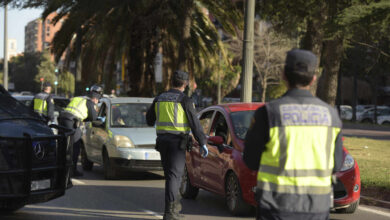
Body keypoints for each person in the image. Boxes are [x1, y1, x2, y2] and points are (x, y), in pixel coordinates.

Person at [243, 49, 343, 220]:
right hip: (317, 208)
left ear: (283, 75)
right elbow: (337, 165)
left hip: (276, 207)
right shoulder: (331, 115)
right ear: (313, 79)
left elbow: (250, 160)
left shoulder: (268, 113)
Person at [146, 70, 208, 220]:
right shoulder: (185, 100)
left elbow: (149, 120)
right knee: (174, 177)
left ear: (171, 81)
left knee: (170, 177)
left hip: (162, 142)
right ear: (185, 84)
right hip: (177, 144)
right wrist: (203, 142)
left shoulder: (159, 98)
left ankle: (172, 210)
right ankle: (170, 213)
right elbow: (195, 124)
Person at [58, 84, 103, 177]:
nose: (97, 102)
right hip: (72, 122)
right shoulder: (90, 102)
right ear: (96, 98)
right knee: (75, 146)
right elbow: (94, 117)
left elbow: (73, 110)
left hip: (62, 120)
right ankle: (72, 171)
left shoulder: (78, 98)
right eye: (97, 100)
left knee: (62, 146)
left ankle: (59, 169)